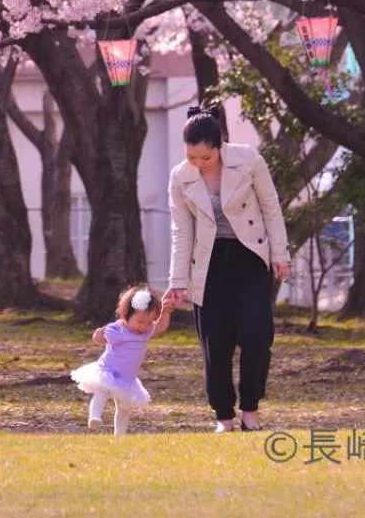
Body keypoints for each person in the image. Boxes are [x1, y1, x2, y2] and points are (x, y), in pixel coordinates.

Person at [165, 106, 291, 432]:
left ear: (220, 144)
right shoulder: (180, 176)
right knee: (215, 344)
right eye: (191, 157)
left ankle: (250, 409)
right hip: (207, 263)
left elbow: (271, 207)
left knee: (256, 337)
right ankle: (224, 416)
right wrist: (178, 280)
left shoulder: (248, 160)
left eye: (204, 157)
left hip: (251, 255)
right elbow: (182, 230)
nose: (197, 163)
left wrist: (280, 254)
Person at [70, 284, 173, 434]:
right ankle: (94, 417)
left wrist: (166, 311)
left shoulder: (146, 332)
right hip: (108, 370)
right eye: (139, 321)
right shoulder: (118, 329)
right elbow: (100, 339)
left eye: (148, 322)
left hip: (127, 378)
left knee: (124, 408)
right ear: (126, 314)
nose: (143, 326)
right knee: (102, 391)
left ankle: (120, 436)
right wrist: (98, 334)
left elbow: (161, 326)